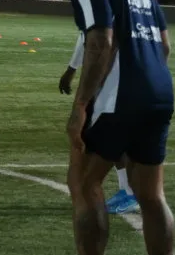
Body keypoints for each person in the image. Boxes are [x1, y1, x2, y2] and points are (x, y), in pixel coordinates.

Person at [41, 0, 175, 255]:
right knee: (152, 195)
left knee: (83, 182)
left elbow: (100, 41)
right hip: (159, 92)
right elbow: (165, 45)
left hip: (121, 95)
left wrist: (80, 106)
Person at [59, 32, 138, 215]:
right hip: (112, 82)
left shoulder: (107, 8)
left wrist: (94, 83)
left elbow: (107, 42)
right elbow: (85, 37)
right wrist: (72, 68)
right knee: (112, 136)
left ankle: (132, 193)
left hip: (116, 83)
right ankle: (126, 190)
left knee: (113, 136)